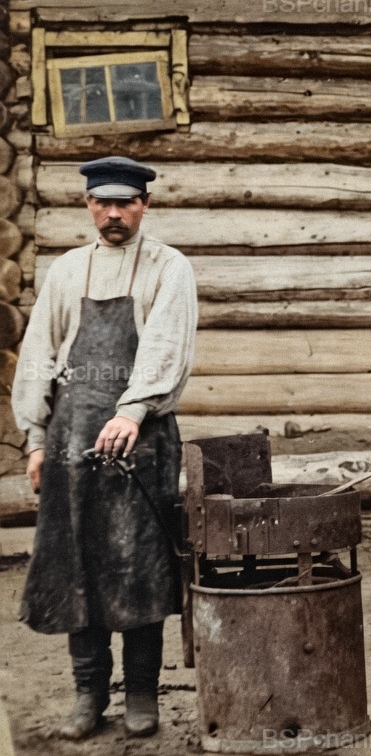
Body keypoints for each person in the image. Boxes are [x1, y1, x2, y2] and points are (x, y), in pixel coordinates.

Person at [13, 156, 197, 739]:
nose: (114, 214)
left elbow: (166, 345)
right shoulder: (67, 271)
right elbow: (40, 352)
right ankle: (88, 696)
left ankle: (142, 695)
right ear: (88, 205)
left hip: (141, 442)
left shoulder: (169, 268)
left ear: (145, 204)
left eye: (126, 203)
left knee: (139, 567)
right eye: (102, 203)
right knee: (78, 565)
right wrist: (36, 438)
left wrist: (133, 410)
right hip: (72, 438)